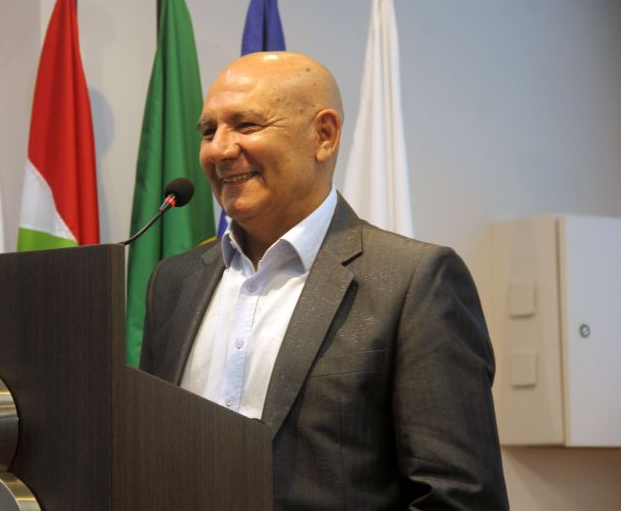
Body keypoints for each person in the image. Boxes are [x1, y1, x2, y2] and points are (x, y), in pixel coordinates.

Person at [139, 52, 508, 510]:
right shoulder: (173, 283)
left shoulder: (414, 281)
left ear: (324, 136)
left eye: (246, 125)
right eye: (208, 131)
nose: (219, 150)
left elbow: (460, 499)